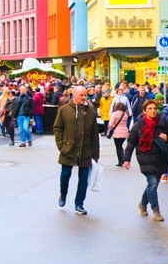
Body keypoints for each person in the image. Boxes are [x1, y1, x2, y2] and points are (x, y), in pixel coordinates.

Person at [53, 86, 100, 215]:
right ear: (74, 95)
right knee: (65, 175)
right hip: (68, 149)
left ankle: (79, 204)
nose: (84, 98)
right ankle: (63, 193)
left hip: (85, 150)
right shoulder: (64, 110)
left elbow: (95, 134)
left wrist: (95, 154)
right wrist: (61, 146)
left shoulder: (90, 112)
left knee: (83, 178)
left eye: (85, 95)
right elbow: (57, 128)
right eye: (81, 95)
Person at [123, 100, 168, 222]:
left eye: (154, 108)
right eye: (150, 108)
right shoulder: (138, 126)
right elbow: (131, 143)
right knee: (153, 183)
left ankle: (142, 203)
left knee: (152, 185)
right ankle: (156, 211)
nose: (153, 111)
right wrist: (126, 159)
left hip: (160, 158)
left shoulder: (163, 122)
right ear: (144, 111)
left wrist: (167, 137)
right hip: (145, 157)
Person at [107, 103, 130, 167]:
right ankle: (123, 159)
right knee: (120, 146)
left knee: (118, 147)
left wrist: (111, 128)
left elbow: (110, 124)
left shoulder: (114, 114)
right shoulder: (125, 114)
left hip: (117, 132)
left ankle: (120, 161)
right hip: (124, 132)